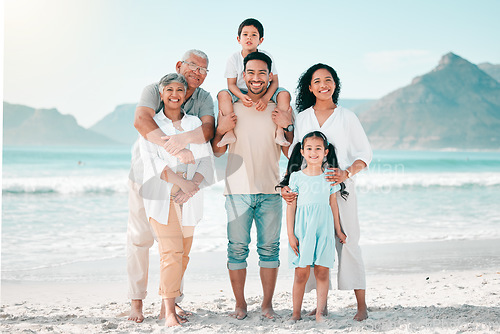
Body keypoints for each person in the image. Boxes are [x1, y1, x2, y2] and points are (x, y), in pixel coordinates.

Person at [127, 49, 215, 323]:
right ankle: (137, 302)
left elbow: (207, 133)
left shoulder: (201, 100)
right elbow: (141, 122)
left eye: (203, 69)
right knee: (141, 240)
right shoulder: (155, 89)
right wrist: (178, 151)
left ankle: (171, 301)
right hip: (146, 178)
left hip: (184, 184)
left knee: (179, 248)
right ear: (180, 65)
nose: (196, 72)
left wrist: (190, 183)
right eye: (192, 65)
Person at [281, 63, 372, 321]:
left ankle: (361, 305)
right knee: (311, 244)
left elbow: (365, 155)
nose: (324, 84)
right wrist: (287, 187)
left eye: (328, 79)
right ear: (310, 87)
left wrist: (346, 173)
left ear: (335, 84)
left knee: (348, 242)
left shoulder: (347, 117)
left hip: (339, 190)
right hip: (308, 192)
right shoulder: (303, 117)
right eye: (317, 81)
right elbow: (295, 154)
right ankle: (322, 306)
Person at [212, 51, 293, 320]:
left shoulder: (277, 108)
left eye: (262, 73)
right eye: (251, 73)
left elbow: (289, 153)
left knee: (270, 249)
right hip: (236, 192)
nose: (256, 78)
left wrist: (287, 124)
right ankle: (240, 304)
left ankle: (267, 305)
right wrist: (223, 129)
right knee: (236, 248)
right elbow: (217, 151)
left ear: (270, 76)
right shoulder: (231, 106)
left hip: (271, 190)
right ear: (243, 75)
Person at [280, 131, 347, 322]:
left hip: (324, 229)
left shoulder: (330, 177)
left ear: (326, 152)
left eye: (318, 148)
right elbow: (290, 207)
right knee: (301, 273)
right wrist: (290, 235)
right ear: (302, 152)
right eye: (309, 148)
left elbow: (333, 204)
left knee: (322, 271)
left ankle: (320, 312)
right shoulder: (296, 177)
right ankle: (295, 313)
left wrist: (338, 230)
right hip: (302, 230)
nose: (313, 152)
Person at [217, 18, 291, 148]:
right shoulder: (233, 58)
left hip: (264, 89)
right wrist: (241, 96)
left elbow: (274, 82)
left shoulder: (266, 56)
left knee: (284, 94)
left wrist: (265, 98)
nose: (249, 38)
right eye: (245, 34)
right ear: (238, 39)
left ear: (260, 40)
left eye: (253, 35)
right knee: (222, 94)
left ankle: (280, 131)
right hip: (240, 91)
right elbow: (231, 85)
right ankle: (229, 132)